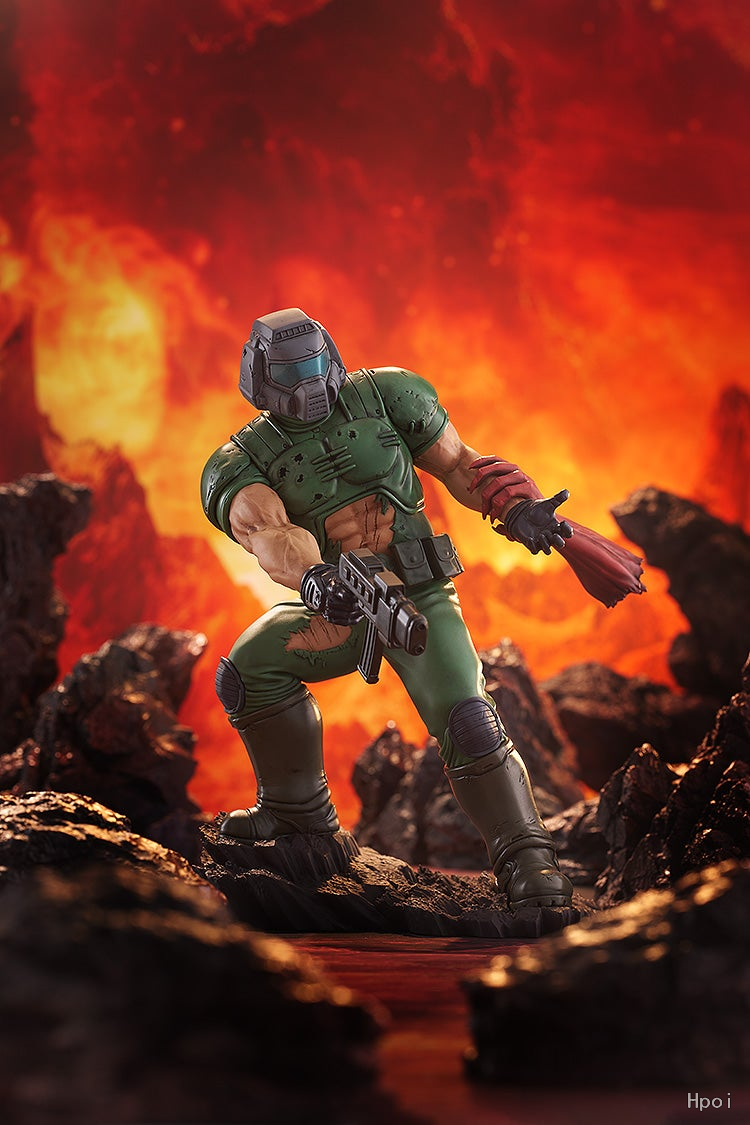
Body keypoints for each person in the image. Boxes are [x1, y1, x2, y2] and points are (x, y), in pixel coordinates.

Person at [201, 307, 643, 909]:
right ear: (260, 378)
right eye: (291, 374)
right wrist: (314, 579)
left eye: (314, 367)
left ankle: (528, 858)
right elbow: (268, 532)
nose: (308, 386)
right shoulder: (240, 461)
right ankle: (296, 814)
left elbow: (459, 463)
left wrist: (516, 508)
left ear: (331, 356)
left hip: (420, 594)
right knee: (248, 670)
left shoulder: (389, 395)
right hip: (340, 606)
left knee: (468, 719)